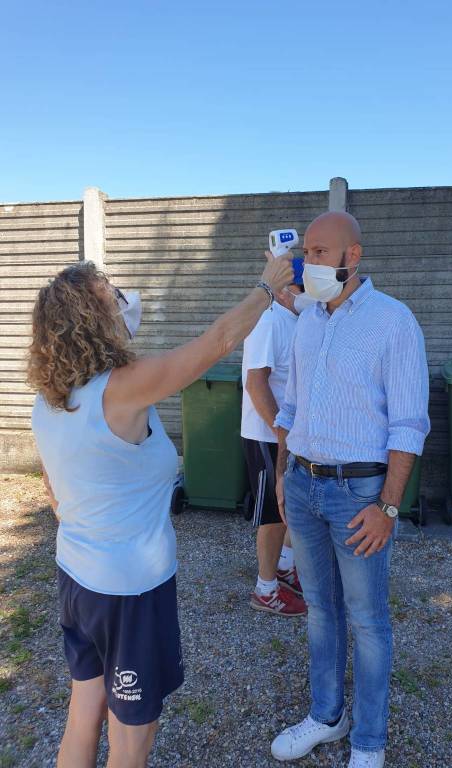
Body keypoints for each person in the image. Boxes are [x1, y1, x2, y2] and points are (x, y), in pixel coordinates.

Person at [28, 253, 293, 768]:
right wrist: (268, 287)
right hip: (128, 592)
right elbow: (216, 343)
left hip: (77, 578)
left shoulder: (49, 397)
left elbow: (54, 491)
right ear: (93, 320)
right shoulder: (122, 389)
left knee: (84, 710)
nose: (125, 303)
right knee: (133, 735)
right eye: (114, 299)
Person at [271, 212, 430, 768]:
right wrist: (283, 474)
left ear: (352, 256)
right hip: (304, 483)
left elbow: (409, 424)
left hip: (359, 493)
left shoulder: (393, 322)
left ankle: (368, 741)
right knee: (319, 609)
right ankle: (326, 716)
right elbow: (291, 407)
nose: (307, 263)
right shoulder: (308, 320)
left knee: (367, 619)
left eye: (318, 252)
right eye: (305, 253)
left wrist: (388, 505)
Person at [241, 258, 313, 617]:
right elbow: (255, 383)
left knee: (290, 509)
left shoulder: (297, 320)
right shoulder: (269, 321)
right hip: (266, 434)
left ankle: (285, 566)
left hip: (288, 434)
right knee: (272, 514)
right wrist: (280, 433)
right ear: (288, 286)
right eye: (306, 287)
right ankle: (265, 589)